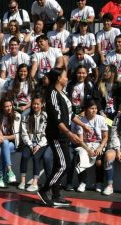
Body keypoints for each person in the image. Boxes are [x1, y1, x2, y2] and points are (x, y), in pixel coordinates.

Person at [37, 68, 93, 207]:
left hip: (63, 134)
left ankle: (56, 194)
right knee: (64, 164)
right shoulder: (53, 95)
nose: (67, 78)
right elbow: (57, 120)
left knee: (59, 164)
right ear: (58, 78)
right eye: (64, 76)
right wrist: (70, 133)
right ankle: (44, 190)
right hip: (57, 135)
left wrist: (84, 126)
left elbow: (70, 115)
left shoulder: (63, 94)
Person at [19, 95, 52, 192]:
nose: (35, 106)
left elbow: (46, 134)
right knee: (24, 156)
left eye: (38, 104)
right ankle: (23, 181)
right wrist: (30, 144)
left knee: (36, 157)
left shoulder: (45, 116)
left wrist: (38, 145)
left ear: (42, 105)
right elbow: (24, 133)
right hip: (29, 143)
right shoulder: (26, 116)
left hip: (42, 144)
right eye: (34, 104)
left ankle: (34, 183)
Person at [74, 100, 108, 193]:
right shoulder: (81, 121)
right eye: (92, 108)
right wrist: (88, 150)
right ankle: (82, 182)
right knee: (80, 157)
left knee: (99, 161)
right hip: (85, 145)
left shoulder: (101, 119)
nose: (94, 110)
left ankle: (99, 182)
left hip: (99, 144)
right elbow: (80, 140)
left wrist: (100, 147)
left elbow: (105, 137)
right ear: (86, 109)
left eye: (95, 108)